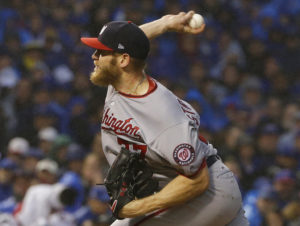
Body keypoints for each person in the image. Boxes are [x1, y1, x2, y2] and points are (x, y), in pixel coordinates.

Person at [81, 11, 249, 226]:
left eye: (100, 52)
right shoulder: (120, 81)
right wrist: (166, 23)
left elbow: (198, 181)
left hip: (206, 191)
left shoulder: (161, 113)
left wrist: (139, 206)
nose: (94, 56)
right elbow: (132, 39)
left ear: (123, 60)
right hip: (190, 189)